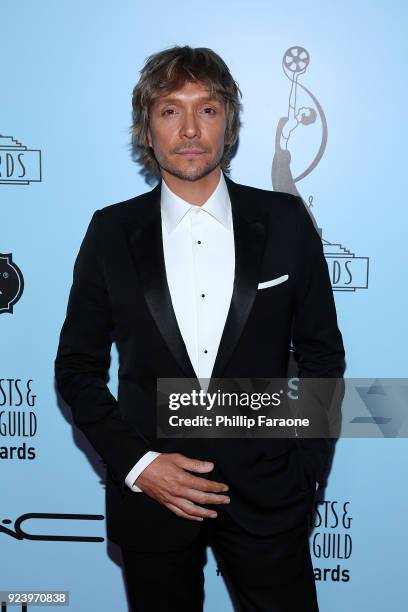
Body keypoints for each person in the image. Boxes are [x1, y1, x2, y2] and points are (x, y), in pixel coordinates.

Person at [54, 45, 345, 612]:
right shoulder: (111, 232)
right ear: (146, 128)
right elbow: (77, 370)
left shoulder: (284, 222)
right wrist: (141, 467)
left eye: (207, 110)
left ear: (229, 125)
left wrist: (306, 470)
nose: (189, 129)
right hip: (154, 500)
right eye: (169, 110)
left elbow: (322, 355)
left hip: (270, 496)